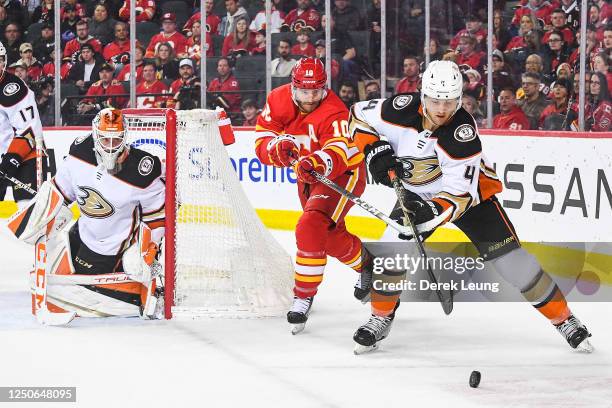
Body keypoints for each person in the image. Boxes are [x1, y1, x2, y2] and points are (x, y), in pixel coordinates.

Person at [348, 60, 593, 353]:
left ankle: (564, 319)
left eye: (450, 102)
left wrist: (431, 213)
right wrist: (373, 148)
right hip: (414, 194)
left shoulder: (462, 133)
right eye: (435, 100)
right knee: (391, 255)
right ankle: (380, 317)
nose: (441, 109)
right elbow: (357, 116)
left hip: (471, 198)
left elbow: (459, 197)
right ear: (422, 95)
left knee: (514, 264)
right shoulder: (398, 108)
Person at [9, 108, 165, 319]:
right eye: (104, 139)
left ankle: (134, 288)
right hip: (79, 234)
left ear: (125, 137)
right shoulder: (80, 152)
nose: (110, 146)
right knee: (56, 282)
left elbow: (157, 216)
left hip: (110, 249)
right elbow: (61, 190)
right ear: (94, 134)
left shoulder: (142, 170)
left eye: (116, 139)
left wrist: (149, 250)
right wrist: (41, 213)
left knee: (72, 294)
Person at [254, 58, 367, 334]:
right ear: (293, 87)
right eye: (305, 91)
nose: (310, 97)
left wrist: (318, 162)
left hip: (342, 175)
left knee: (309, 226)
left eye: (316, 91)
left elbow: (341, 150)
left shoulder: (334, 111)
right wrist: (275, 150)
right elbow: (261, 140)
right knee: (326, 237)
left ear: (324, 87)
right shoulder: (278, 100)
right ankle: (371, 267)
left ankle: (303, 295)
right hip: (307, 179)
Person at [0, 41, 45, 207]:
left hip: (26, 156)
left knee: (27, 210)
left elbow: (30, 131)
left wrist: (10, 161)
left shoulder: (13, 88)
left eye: (0, 59)